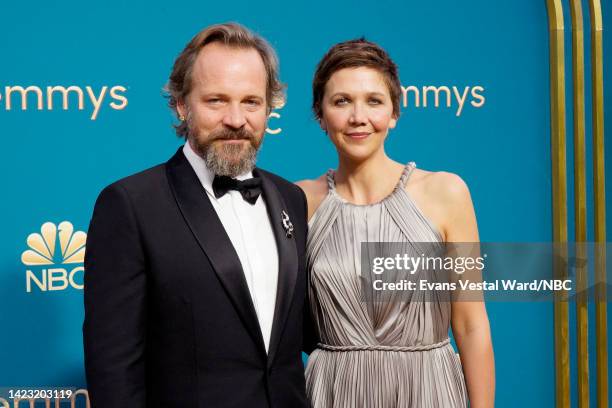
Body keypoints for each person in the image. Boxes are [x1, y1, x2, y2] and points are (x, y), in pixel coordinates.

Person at [83, 23, 310, 408]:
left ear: (269, 107)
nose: (236, 119)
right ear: (182, 104)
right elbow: (113, 368)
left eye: (251, 101)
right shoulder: (130, 205)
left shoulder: (291, 198)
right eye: (216, 101)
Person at [297, 39, 495, 407]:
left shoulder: (446, 192)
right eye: (342, 101)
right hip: (334, 392)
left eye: (374, 101)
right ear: (320, 115)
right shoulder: (298, 202)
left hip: (428, 390)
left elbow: (471, 323)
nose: (359, 117)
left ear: (394, 114)